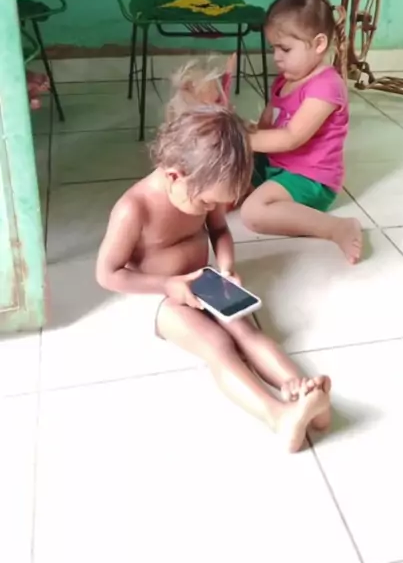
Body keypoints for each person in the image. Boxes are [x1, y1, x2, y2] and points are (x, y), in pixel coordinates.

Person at [95, 105, 331, 452]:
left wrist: (227, 267)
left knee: (246, 331)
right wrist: (168, 285)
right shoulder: (134, 209)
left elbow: (219, 231)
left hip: (204, 281)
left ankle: (301, 391)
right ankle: (277, 415)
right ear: (175, 176)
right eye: (206, 202)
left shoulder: (206, 185)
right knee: (218, 345)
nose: (210, 209)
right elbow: (107, 274)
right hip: (158, 296)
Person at [241, 0, 362, 265]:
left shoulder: (326, 86)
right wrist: (245, 132)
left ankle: (336, 228)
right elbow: (267, 125)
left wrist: (243, 140)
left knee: (253, 214)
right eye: (273, 48)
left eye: (285, 49)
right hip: (276, 166)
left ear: (318, 44)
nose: (276, 57)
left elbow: (291, 137)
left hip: (309, 178)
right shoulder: (286, 79)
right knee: (224, 175)